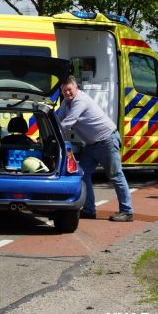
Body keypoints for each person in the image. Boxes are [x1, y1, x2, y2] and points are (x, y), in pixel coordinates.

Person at [58, 75, 134, 222]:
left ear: (76, 88)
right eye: (64, 90)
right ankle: (89, 210)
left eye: (69, 89)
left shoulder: (80, 100)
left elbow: (68, 122)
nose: (67, 93)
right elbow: (59, 119)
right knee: (82, 175)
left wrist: (53, 132)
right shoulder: (66, 102)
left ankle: (127, 211)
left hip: (107, 141)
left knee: (116, 176)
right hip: (92, 145)